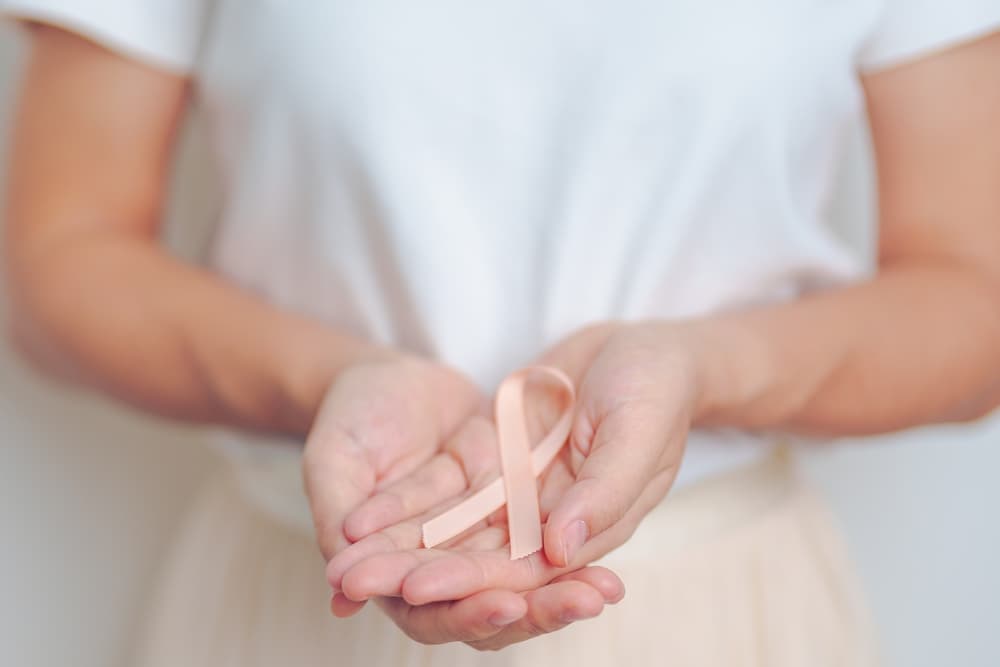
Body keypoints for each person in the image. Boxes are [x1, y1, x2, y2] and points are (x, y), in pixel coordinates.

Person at [3, 1, 999, 665]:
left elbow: (973, 297)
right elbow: (58, 255)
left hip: (724, 618)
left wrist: (702, 368)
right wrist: (326, 377)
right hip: (304, 599)